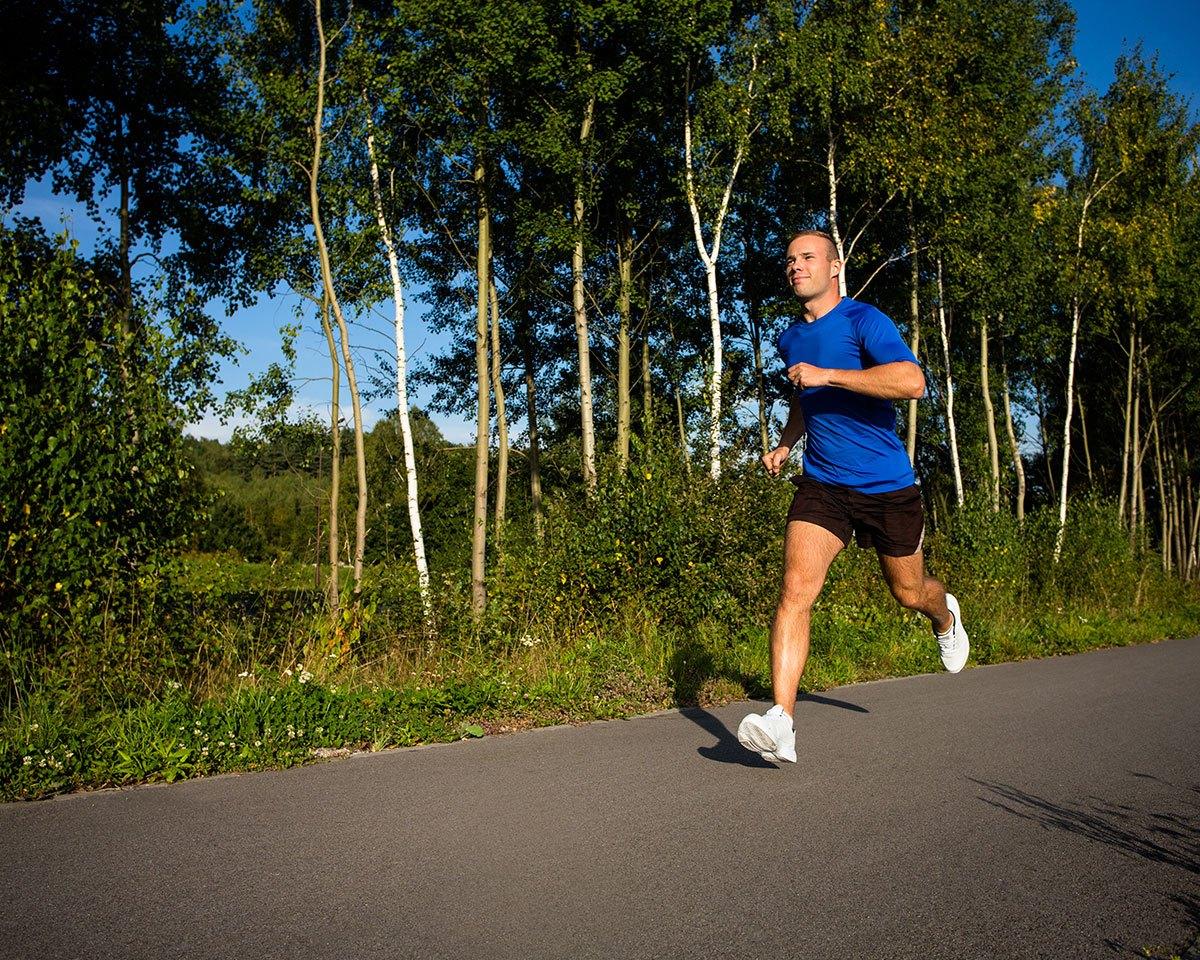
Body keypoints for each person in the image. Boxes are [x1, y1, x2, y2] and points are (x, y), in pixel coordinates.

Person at [737, 230, 968, 764]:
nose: (796, 266)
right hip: (823, 484)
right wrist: (785, 444)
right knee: (796, 588)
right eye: (790, 259)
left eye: (808, 257)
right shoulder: (790, 338)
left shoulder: (866, 320)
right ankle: (782, 722)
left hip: (886, 486)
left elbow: (912, 382)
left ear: (835, 267)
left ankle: (946, 617)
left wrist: (831, 375)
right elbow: (806, 399)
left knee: (910, 592)